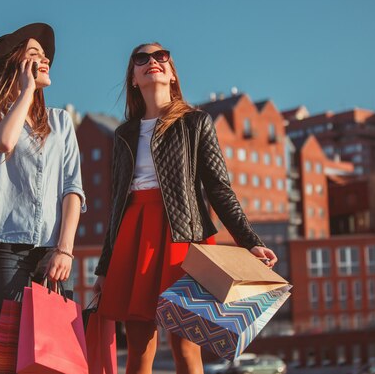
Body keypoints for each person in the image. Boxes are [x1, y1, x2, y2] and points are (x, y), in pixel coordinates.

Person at [93, 42, 278, 374]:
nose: (153, 61)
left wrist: (249, 240)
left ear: (172, 72)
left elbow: (219, 188)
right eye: (141, 58)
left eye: (161, 56)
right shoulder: (122, 135)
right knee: (138, 349)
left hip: (183, 238)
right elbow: (116, 205)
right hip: (133, 237)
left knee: (186, 347)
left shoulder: (195, 123)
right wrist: (105, 266)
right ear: (133, 78)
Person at [0, 23, 86, 340]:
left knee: (58, 351)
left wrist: (65, 249)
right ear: (16, 65)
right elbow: (6, 142)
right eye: (35, 54)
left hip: (54, 254)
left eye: (45, 54)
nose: (46, 59)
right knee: (14, 353)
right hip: (8, 253)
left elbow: (72, 189)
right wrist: (26, 91)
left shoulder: (62, 121)